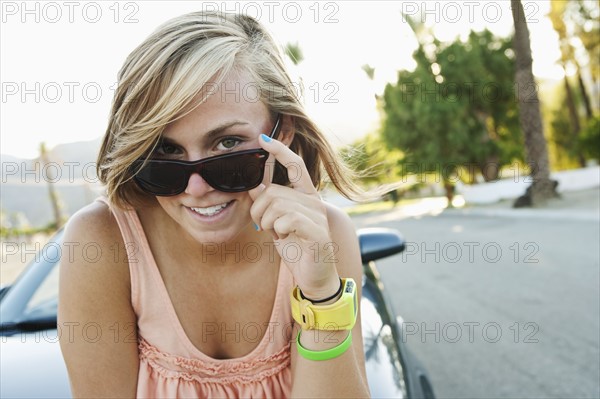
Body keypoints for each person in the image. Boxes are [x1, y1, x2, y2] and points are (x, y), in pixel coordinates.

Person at [58, 10, 371, 398]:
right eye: (166, 152)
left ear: (283, 131)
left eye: (227, 145)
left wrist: (321, 294)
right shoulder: (101, 243)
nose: (196, 187)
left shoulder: (324, 237)